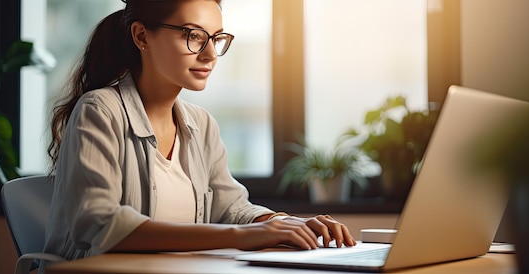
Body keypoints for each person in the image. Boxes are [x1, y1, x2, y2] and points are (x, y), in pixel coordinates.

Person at [42, 0, 356, 270]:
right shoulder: (99, 110)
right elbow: (101, 223)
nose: (210, 55)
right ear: (142, 36)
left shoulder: (201, 123)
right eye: (193, 36)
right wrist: (242, 236)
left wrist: (281, 222)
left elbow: (230, 208)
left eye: (216, 38)